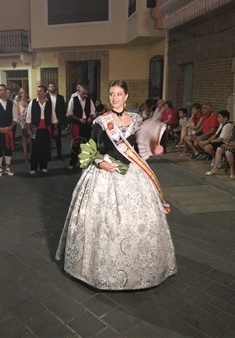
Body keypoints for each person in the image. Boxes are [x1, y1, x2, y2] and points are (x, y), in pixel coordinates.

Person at [56, 80, 177, 290]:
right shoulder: (101, 121)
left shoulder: (138, 120)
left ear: (126, 96)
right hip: (106, 172)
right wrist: (99, 162)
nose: (115, 98)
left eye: (119, 94)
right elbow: (89, 148)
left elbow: (143, 146)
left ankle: (141, 269)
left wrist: (155, 144)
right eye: (111, 94)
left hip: (134, 173)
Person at [66, 85, 95, 169]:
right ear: (78, 91)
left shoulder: (89, 100)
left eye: (87, 94)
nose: (85, 95)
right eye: (83, 93)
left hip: (87, 124)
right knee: (76, 144)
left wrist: (90, 117)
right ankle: (73, 162)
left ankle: (86, 162)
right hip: (77, 125)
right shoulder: (73, 100)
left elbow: (93, 112)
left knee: (87, 144)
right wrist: (79, 119)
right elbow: (69, 113)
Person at [26, 85, 52, 174]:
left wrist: (55, 128)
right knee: (35, 149)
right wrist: (28, 128)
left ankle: (43, 166)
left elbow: (53, 116)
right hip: (35, 128)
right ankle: (33, 167)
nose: (38, 92)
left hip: (46, 128)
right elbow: (28, 117)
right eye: (37, 91)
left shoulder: (49, 103)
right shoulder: (32, 103)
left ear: (45, 92)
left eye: (40, 91)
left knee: (44, 148)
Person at [46, 82, 66, 161]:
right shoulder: (46, 97)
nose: (52, 88)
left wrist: (59, 119)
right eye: (50, 86)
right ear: (48, 88)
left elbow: (63, 110)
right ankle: (48, 155)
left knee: (58, 138)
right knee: (48, 139)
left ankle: (59, 154)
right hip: (48, 121)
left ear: (55, 87)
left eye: (53, 86)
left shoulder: (61, 97)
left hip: (58, 121)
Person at [16, 87, 30, 163]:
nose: (23, 94)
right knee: (24, 140)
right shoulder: (17, 103)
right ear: (19, 94)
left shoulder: (29, 102)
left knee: (31, 140)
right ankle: (25, 157)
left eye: (24, 93)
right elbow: (18, 115)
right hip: (22, 123)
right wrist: (24, 122)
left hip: (29, 122)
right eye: (21, 93)